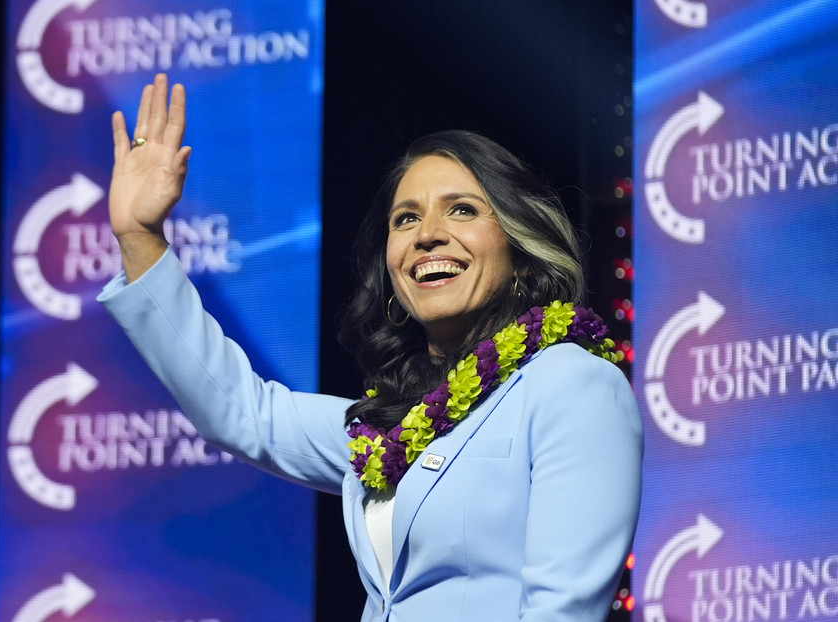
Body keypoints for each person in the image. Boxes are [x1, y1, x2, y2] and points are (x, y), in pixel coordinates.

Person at [98, 74, 642, 622]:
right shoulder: (391, 429)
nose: (426, 234)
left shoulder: (572, 384)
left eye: (462, 210)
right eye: (406, 218)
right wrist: (140, 237)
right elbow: (246, 414)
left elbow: (561, 613)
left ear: (521, 251)